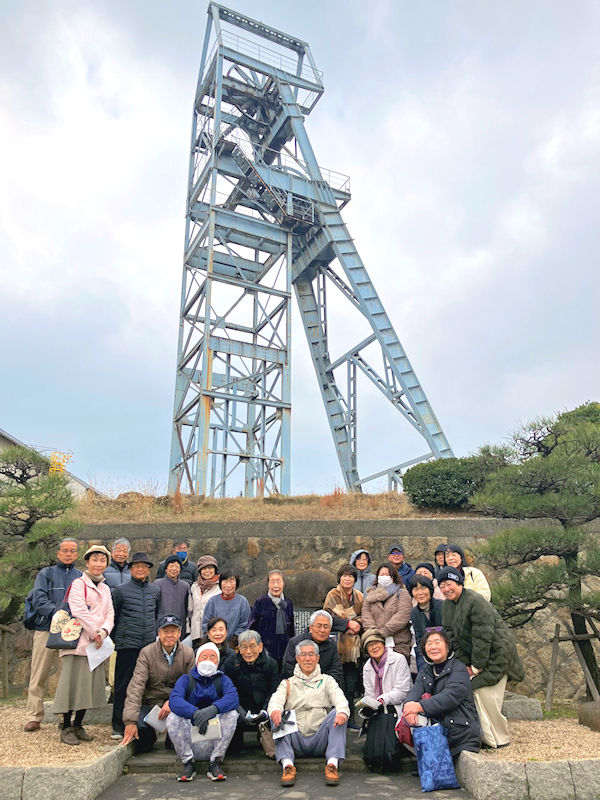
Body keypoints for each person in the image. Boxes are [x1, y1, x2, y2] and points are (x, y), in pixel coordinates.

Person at [438, 567, 524, 748]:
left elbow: (483, 636)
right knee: (470, 691)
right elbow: (451, 636)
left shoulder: (475, 601)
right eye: (442, 585)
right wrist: (464, 666)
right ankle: (484, 737)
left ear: (459, 583)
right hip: (475, 658)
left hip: (497, 655)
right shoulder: (446, 606)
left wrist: (477, 666)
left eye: (449, 584)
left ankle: (499, 738)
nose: (446, 589)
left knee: (485, 695)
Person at [51, 544, 114, 745]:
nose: (98, 564)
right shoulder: (79, 584)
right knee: (72, 685)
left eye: (102, 560)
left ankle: (78, 724)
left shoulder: (105, 588)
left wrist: (103, 632)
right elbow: (78, 610)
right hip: (78, 643)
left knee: (86, 687)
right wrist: (95, 631)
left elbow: (110, 614)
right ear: (87, 562)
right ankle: (66, 726)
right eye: (94, 560)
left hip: (95, 645)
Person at [268, 639, 350, 787]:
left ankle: (332, 765)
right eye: (303, 655)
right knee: (278, 714)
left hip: (320, 738)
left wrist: (342, 713)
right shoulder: (287, 683)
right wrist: (275, 712)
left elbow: (340, 699)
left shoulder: (327, 681)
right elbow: (275, 701)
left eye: (311, 654)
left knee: (338, 712)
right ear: (297, 658)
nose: (307, 658)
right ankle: (287, 766)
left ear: (317, 658)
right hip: (296, 739)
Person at [23, 538, 82, 732]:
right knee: (38, 673)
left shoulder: (80, 577)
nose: (68, 554)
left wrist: (68, 620)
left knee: (65, 675)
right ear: (58, 553)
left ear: (76, 554)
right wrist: (58, 615)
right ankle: (34, 715)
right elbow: (38, 598)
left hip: (68, 633)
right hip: (45, 629)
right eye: (64, 550)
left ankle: (62, 716)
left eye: (72, 551)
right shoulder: (45, 573)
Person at [402, 628, 481, 759]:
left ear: (447, 646)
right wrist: (409, 707)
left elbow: (450, 697)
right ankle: (428, 762)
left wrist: (419, 707)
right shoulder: (427, 670)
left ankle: (432, 764)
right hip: (439, 725)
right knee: (404, 724)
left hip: (459, 730)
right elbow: (415, 691)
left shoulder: (459, 668)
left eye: (437, 642)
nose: (433, 647)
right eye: (429, 643)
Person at [121, 614, 195, 753]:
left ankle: (172, 738)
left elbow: (192, 685)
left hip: (177, 704)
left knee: (178, 744)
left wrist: (173, 702)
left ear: (179, 633)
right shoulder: (147, 653)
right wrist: (130, 721)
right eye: (165, 631)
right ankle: (151, 736)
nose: (169, 635)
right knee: (141, 735)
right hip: (151, 703)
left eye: (173, 631)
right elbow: (136, 685)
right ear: (159, 633)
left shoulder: (188, 653)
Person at [167, 642, 239, 782]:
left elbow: (233, 697)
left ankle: (215, 763)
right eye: (204, 656)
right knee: (172, 717)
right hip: (191, 738)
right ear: (197, 660)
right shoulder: (186, 679)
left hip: (214, 739)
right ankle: (188, 763)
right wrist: (195, 713)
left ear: (217, 661)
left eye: (212, 657)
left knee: (232, 714)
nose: (208, 659)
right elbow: (174, 700)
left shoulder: (222, 679)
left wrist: (212, 710)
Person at [111, 552, 162, 740]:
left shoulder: (155, 590)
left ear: (149, 570)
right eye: (137, 566)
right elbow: (113, 618)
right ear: (131, 569)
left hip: (148, 646)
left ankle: (144, 725)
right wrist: (120, 639)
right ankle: (118, 724)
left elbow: (156, 614)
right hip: (127, 645)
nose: (141, 569)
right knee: (123, 686)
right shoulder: (120, 590)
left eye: (144, 566)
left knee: (148, 686)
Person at [358, 629, 411, 770]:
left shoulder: (398, 659)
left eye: (377, 643)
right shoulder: (367, 667)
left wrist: (382, 700)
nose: (374, 647)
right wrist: (368, 705)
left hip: (397, 706)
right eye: (370, 645)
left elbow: (403, 691)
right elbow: (369, 693)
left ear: (383, 644)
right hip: (379, 709)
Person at [224, 629, 279, 756]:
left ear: (260, 647)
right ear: (238, 649)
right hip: (240, 708)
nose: (248, 652)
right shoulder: (230, 664)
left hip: (264, 707)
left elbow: (274, 691)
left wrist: (265, 710)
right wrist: (239, 710)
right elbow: (228, 692)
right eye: (244, 647)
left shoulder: (271, 664)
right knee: (234, 750)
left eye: (252, 646)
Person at [324, 564, 363, 724]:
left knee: (351, 684)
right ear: (339, 578)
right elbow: (326, 618)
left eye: (351, 576)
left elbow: (364, 616)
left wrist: (357, 624)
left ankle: (350, 717)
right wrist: (348, 624)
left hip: (353, 648)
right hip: (337, 646)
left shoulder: (360, 596)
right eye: (344, 576)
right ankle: (336, 716)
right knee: (338, 683)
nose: (348, 579)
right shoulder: (332, 594)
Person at [361, 564, 413, 661]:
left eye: (387, 575)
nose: (384, 577)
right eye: (382, 574)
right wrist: (374, 632)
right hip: (375, 642)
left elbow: (403, 614)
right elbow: (365, 614)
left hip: (398, 643)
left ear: (393, 577)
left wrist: (385, 631)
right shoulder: (370, 595)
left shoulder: (402, 593)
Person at [281, 610, 343, 685]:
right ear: (310, 628)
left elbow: (336, 670)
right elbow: (288, 669)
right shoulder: (295, 643)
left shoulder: (331, 644)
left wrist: (321, 685)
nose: (322, 630)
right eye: (319, 626)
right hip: (299, 687)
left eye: (326, 626)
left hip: (324, 687)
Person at [248, 570, 295, 670]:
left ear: (284, 584)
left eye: (278, 581)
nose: (275, 585)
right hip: (265, 650)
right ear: (268, 584)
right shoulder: (261, 602)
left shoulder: (287, 603)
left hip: (284, 650)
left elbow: (291, 628)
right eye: (272, 582)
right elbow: (252, 626)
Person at [201, 571, 250, 647]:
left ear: (237, 583)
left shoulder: (242, 601)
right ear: (220, 583)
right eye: (225, 581)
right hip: (213, 643)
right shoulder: (212, 601)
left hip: (235, 645)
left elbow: (244, 624)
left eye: (231, 582)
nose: (228, 585)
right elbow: (206, 623)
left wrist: (234, 641)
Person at [409, 575, 444, 671]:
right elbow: (419, 638)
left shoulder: (442, 606)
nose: (420, 593)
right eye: (416, 589)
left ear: (430, 589)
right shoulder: (414, 613)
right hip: (426, 651)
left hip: (445, 649)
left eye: (423, 588)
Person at [189, 555, 220, 649]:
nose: (207, 571)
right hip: (195, 634)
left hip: (212, 634)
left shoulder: (219, 588)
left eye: (210, 568)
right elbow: (190, 610)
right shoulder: (194, 587)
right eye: (204, 568)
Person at [154, 555, 190, 632]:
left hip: (179, 625)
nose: (174, 569)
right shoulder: (157, 584)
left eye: (177, 566)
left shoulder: (185, 586)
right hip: (161, 625)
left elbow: (187, 607)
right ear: (166, 569)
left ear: (180, 569)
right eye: (171, 566)